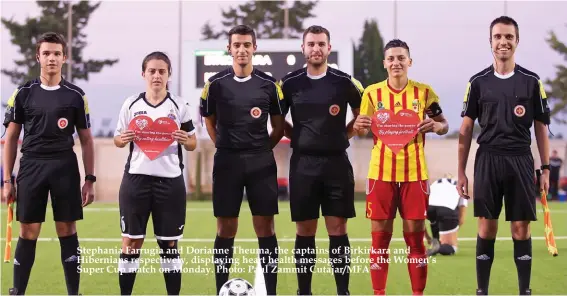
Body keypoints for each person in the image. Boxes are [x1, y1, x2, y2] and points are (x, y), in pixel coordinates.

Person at [457, 16, 551, 296]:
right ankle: (482, 291)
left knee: (521, 227)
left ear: (517, 41)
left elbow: (541, 129)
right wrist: (461, 171)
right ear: (490, 42)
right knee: (487, 227)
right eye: (498, 37)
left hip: (521, 160)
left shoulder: (532, 81)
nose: (503, 42)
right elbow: (465, 130)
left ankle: (524, 291)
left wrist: (545, 168)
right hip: (487, 160)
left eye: (509, 37)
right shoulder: (477, 82)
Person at [353, 39, 449, 295]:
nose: (396, 62)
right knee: (379, 240)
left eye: (401, 58)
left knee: (415, 239)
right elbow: (361, 130)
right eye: (391, 58)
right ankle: (379, 293)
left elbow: (444, 124)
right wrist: (359, 127)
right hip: (380, 174)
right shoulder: (372, 94)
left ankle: (417, 293)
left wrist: (438, 126)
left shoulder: (425, 93)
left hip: (415, 175)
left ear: (409, 62)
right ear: (384, 63)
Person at [2, 32, 95, 296]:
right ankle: (18, 291)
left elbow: (87, 140)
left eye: (56, 53)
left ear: (64, 58)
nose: (51, 58)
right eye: (46, 53)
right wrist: (7, 180)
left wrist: (90, 178)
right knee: (28, 230)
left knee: (67, 228)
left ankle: (73, 292)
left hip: (64, 166)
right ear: (38, 57)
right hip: (31, 166)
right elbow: (10, 138)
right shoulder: (22, 93)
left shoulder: (76, 95)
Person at [199, 24, 286, 295]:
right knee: (226, 227)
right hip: (227, 163)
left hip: (260, 163)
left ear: (254, 48)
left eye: (247, 45)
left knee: (265, 227)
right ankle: (219, 289)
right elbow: (208, 120)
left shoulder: (271, 85)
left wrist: (261, 149)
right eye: (237, 45)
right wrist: (224, 147)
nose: (242, 50)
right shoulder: (214, 85)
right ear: (229, 49)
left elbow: (280, 127)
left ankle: (270, 291)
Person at [279, 25, 363, 296]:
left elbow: (363, 117)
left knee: (337, 228)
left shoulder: (344, 82)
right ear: (303, 48)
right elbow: (279, 124)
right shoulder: (289, 84)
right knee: (305, 230)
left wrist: (344, 134)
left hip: (336, 163)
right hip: (303, 164)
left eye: (321, 44)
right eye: (311, 43)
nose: (316, 48)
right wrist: (300, 137)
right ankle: (305, 292)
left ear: (329, 48)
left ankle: (343, 291)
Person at [113, 51, 196, 295]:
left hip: (170, 183)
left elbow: (192, 143)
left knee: (169, 244)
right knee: (131, 241)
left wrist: (184, 139)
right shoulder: (131, 103)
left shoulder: (179, 105)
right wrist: (123, 138)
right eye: (152, 71)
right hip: (136, 181)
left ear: (169, 75)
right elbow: (117, 139)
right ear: (143, 74)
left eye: (162, 71)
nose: (157, 75)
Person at [425, 174, 468, 256]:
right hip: (447, 211)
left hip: (429, 209)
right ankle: (437, 248)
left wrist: (427, 237)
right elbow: (461, 218)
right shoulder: (460, 186)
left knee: (433, 219)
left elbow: (419, 218)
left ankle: (435, 241)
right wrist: (453, 230)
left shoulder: (434, 184)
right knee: (452, 247)